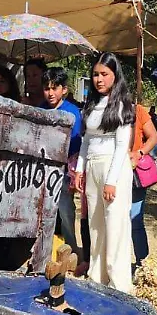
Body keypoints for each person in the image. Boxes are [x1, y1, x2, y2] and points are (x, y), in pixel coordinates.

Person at [75, 53, 135, 293]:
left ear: (114, 76)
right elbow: (85, 140)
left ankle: (119, 282)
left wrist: (111, 181)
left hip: (114, 167)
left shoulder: (121, 105)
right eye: (96, 74)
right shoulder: (91, 105)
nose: (99, 79)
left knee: (115, 223)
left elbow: (122, 145)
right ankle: (96, 275)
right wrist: (79, 170)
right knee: (96, 223)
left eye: (104, 74)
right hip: (92, 165)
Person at [38, 67, 83, 264]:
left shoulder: (72, 112)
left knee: (65, 211)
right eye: (47, 88)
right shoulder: (40, 109)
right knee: (44, 210)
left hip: (64, 171)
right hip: (43, 170)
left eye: (54, 88)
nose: (50, 93)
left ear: (64, 89)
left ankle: (71, 250)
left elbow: (76, 142)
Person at [130, 101, 157, 269]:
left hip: (134, 173)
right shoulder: (102, 107)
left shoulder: (138, 110)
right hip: (106, 173)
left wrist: (139, 152)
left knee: (135, 220)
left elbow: (154, 137)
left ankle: (143, 264)